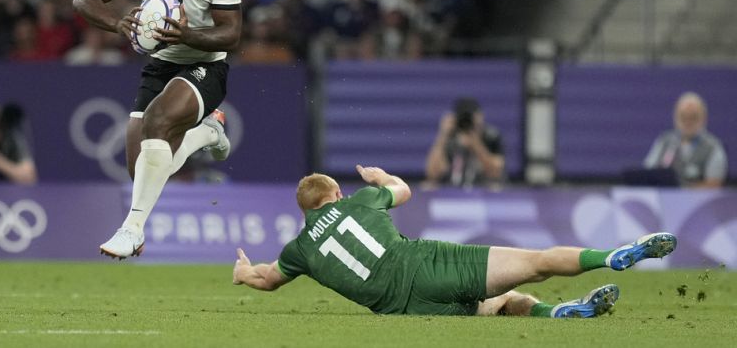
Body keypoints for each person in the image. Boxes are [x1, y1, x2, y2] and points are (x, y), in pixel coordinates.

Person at [233, 165, 678, 318]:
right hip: (426, 265)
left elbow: (267, 279)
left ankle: (561, 314)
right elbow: (405, 190)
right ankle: (613, 254)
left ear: (304, 211)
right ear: (334, 196)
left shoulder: (299, 251)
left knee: (502, 304)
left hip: (408, 309)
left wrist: (242, 273)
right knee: (537, 261)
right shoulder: (362, 200)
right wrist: (379, 176)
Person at [72, 0, 242, 259]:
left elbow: (232, 33)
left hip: (206, 65)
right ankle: (206, 134)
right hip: (161, 65)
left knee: (158, 121)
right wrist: (118, 24)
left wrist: (189, 35)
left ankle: (131, 228)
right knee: (144, 171)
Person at [643, 92, 728, 188]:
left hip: (699, 201)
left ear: (704, 118)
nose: (688, 122)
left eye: (693, 117)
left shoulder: (713, 146)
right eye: (683, 117)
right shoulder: (664, 141)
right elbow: (648, 173)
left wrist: (682, 193)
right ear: (675, 117)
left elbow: (714, 184)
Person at [424, 97, 505, 188]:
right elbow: (433, 174)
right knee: (427, 186)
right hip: (453, 190)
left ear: (480, 117)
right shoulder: (450, 138)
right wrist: (443, 134)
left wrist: (476, 144)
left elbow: (496, 172)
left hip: (483, 190)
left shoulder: (491, 136)